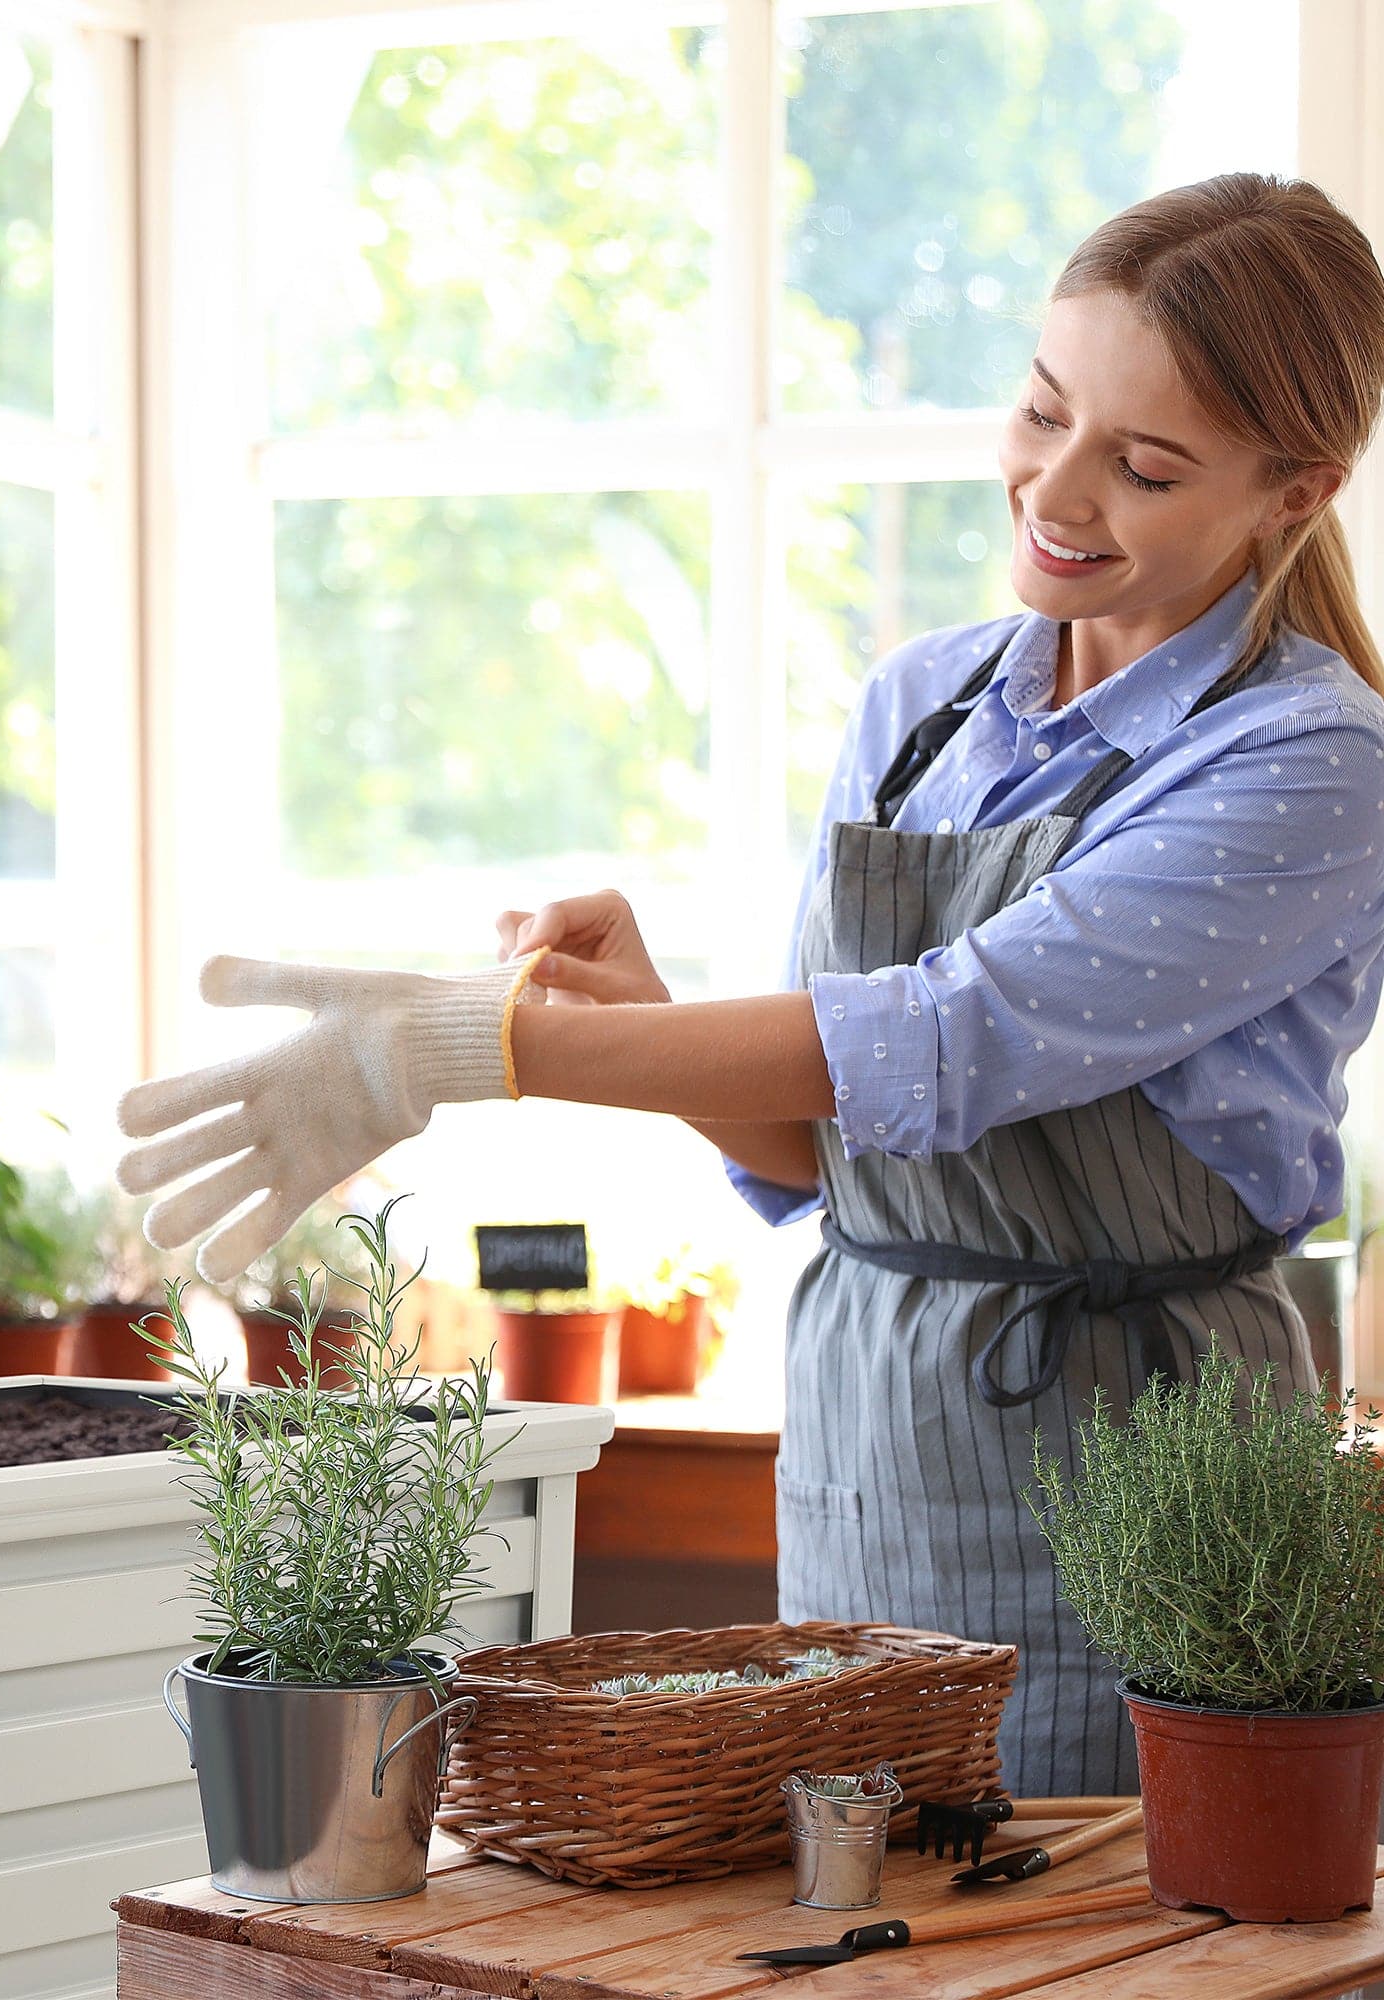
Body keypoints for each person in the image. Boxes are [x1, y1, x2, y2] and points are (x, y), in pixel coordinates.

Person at [116, 173, 1384, 1795]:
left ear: (1297, 488)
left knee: (1085, 1926)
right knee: (852, 1906)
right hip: (869, 1425)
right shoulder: (926, 704)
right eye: (1042, 413)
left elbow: (949, 1041)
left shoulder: (1303, 759)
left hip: (1136, 1447)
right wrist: (634, 1013)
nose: (1054, 491)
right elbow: (815, 1156)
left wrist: (475, 1049)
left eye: (1143, 466)